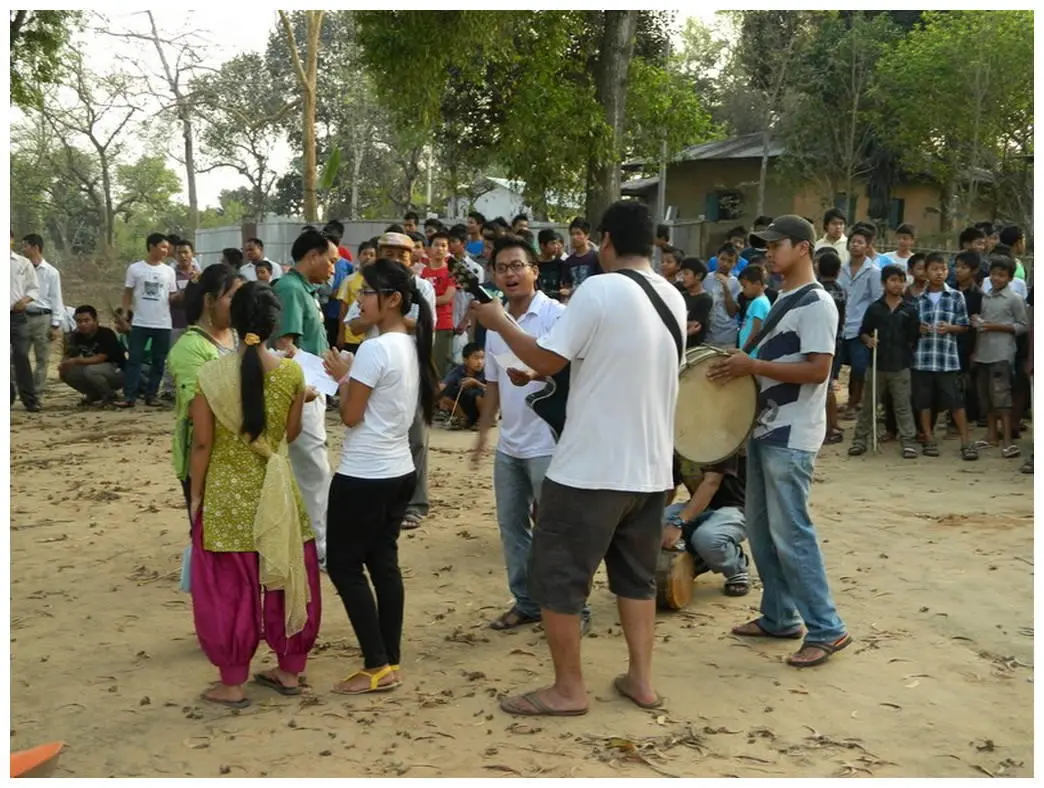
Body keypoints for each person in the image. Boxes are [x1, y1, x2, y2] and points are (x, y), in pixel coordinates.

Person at [472, 200, 686, 716]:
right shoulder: (672, 296)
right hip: (650, 469)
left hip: (590, 468)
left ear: (605, 240)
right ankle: (641, 681)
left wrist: (500, 322)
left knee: (558, 578)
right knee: (635, 579)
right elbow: (607, 364)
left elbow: (547, 357)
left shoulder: (599, 289)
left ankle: (568, 689)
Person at [708, 215, 851, 668]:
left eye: (777, 245)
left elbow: (819, 370)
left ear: (803, 248)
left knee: (791, 533)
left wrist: (752, 366)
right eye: (766, 246)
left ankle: (827, 628)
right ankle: (779, 616)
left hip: (792, 434)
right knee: (764, 532)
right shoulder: (784, 298)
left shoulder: (817, 303)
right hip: (766, 428)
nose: (768, 253)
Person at [188, 281, 321, 708]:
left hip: (227, 499)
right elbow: (291, 435)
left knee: (229, 590)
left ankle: (232, 683)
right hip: (278, 493)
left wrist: (195, 498)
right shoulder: (292, 373)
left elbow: (202, 444)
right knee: (287, 576)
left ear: (231, 319)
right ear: (273, 324)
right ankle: (289, 670)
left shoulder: (210, 376)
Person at [320, 258, 437, 695]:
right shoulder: (409, 342)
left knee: (345, 566)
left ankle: (376, 662)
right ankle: (389, 657)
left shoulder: (376, 348)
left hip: (365, 472)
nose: (359, 301)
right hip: (399, 470)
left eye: (367, 293)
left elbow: (351, 416)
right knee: (383, 563)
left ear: (392, 299)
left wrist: (343, 378)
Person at [473, 235, 576, 632]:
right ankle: (527, 602)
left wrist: (536, 372)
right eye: (502, 268)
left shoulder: (556, 316)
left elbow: (567, 368)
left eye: (517, 266)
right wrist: (484, 433)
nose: (510, 274)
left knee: (555, 532)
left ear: (535, 271)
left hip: (549, 443)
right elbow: (493, 382)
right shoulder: (493, 321)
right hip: (510, 445)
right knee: (512, 527)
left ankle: (572, 609)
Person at [345, 233, 436, 531]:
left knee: (415, 436)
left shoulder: (421, 287)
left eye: (402, 254)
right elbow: (352, 325)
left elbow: (427, 325)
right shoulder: (372, 285)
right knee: (377, 430)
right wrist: (377, 315)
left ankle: (415, 503)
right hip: (374, 370)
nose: (395, 258)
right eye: (388, 252)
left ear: (413, 257)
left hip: (409, 365)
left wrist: (387, 316)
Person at [272, 229, 338, 565]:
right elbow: (285, 345)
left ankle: (310, 539)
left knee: (310, 466)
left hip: (314, 385)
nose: (333, 268)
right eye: (330, 260)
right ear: (313, 256)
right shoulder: (290, 289)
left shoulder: (304, 290)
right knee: (313, 467)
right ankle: (320, 547)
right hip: (303, 389)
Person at [167, 264, 242, 517]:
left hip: (238, 454)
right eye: (232, 297)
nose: (240, 305)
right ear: (209, 301)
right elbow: (195, 410)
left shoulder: (239, 335)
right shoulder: (189, 348)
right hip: (207, 458)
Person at [847, 265, 920, 459]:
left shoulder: (910, 309)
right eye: (893, 280)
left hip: (901, 365)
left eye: (901, 281)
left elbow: (914, 338)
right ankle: (860, 440)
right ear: (883, 283)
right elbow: (863, 332)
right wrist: (868, 340)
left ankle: (908, 442)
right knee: (869, 405)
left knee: (902, 406)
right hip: (877, 365)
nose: (898, 284)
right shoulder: (874, 309)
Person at [912, 253, 977, 460]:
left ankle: (966, 441)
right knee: (924, 402)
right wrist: (918, 329)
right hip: (922, 358)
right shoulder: (918, 299)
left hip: (946, 359)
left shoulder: (956, 296)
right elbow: (911, 327)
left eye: (943, 269)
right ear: (926, 272)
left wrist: (950, 328)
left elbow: (964, 325)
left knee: (955, 401)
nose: (939, 273)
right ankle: (928, 438)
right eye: (934, 269)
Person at [661, 453, 749, 597]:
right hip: (699, 505)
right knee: (656, 525)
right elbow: (670, 486)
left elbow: (711, 483)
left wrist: (678, 523)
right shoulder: (678, 447)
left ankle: (736, 569)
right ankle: (698, 558)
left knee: (707, 538)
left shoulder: (721, 444)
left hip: (735, 508)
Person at [972, 256, 1028, 458]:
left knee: (1002, 396)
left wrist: (995, 326)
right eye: (994, 274)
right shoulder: (986, 297)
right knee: (986, 396)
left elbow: (1023, 326)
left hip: (1002, 353)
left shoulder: (1014, 299)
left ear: (1010, 278)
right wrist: (978, 322)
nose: (996, 278)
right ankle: (991, 434)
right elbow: (982, 324)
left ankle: (1007, 439)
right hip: (983, 352)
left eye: (1001, 275)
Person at [116, 233, 177, 409]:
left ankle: (152, 395)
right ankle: (129, 396)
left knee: (159, 361)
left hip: (163, 322)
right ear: (151, 246)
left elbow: (172, 295)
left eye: (167, 248)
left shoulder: (169, 271)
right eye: (162, 247)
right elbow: (128, 293)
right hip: (140, 322)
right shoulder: (135, 269)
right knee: (134, 359)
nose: (166, 251)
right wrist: (125, 313)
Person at [837, 225, 882, 419]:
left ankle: (854, 403)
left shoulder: (873, 271)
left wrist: (871, 328)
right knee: (836, 366)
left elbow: (877, 300)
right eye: (853, 242)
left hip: (861, 328)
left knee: (859, 368)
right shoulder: (841, 269)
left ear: (868, 246)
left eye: (860, 242)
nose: (855, 245)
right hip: (841, 326)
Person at [20, 234, 65, 398]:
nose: (23, 249)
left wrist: (55, 324)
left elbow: (56, 298)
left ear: (35, 247)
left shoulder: (51, 272)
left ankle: (35, 394)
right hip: (22, 316)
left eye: (25, 246)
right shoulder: (20, 270)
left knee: (42, 358)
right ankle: (18, 391)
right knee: (18, 356)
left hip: (43, 318)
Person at [58, 305, 126, 406]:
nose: (83, 324)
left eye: (87, 320)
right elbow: (69, 354)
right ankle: (94, 394)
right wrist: (64, 364)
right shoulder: (76, 336)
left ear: (95, 320)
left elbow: (101, 358)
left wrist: (76, 361)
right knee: (66, 372)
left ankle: (109, 396)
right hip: (94, 370)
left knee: (91, 370)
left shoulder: (106, 334)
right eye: (79, 321)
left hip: (117, 371)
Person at [162, 239, 199, 400]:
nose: (183, 256)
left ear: (192, 254)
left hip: (195, 324)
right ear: (174, 255)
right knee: (172, 356)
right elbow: (170, 298)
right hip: (175, 322)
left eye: (186, 252)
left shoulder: (200, 275)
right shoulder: (170, 274)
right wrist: (187, 290)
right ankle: (169, 389)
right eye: (179, 253)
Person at [817, 251, 846, 445]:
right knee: (830, 385)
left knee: (824, 388)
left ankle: (829, 428)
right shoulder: (841, 290)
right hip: (837, 340)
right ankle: (833, 424)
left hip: (821, 342)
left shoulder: (818, 291)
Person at [421, 230, 458, 380]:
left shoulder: (451, 272)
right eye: (436, 245)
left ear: (448, 249)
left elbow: (447, 298)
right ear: (429, 249)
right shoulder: (422, 272)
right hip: (423, 322)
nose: (440, 249)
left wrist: (425, 300)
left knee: (440, 365)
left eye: (443, 245)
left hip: (443, 323)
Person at [10, 234, 41, 412]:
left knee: (21, 356)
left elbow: (34, 288)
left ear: (11, 239)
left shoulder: (23, 263)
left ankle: (30, 399)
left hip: (17, 316)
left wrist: (25, 300)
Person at [953, 252, 985, 426]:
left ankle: (967, 419)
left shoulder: (979, 296)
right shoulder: (949, 290)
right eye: (957, 266)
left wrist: (975, 350)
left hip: (968, 344)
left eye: (963, 267)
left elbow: (979, 326)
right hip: (949, 342)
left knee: (966, 383)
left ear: (974, 271)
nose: (958, 270)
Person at [336, 240, 378, 353]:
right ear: (358, 256)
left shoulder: (378, 281)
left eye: (372, 255)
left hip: (370, 336)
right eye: (365, 254)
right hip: (351, 336)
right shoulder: (349, 280)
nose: (368, 257)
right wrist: (341, 334)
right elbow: (343, 309)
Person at [438, 342, 486, 427]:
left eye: (482, 358)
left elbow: (496, 389)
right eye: (476, 358)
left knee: (479, 394)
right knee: (446, 395)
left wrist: (476, 383)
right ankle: (463, 418)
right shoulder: (458, 371)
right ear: (465, 360)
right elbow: (443, 385)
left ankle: (484, 419)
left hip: (484, 405)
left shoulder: (487, 372)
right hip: (467, 405)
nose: (480, 362)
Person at [703, 244, 741, 347]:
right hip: (707, 336)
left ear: (735, 263)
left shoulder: (736, 283)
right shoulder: (706, 278)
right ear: (717, 258)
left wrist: (725, 286)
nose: (725, 264)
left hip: (727, 336)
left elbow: (732, 313)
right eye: (722, 259)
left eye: (730, 261)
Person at [560, 217, 602, 298]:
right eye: (572, 234)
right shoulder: (568, 262)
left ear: (587, 236)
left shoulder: (597, 258)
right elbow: (567, 285)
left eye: (578, 233)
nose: (574, 237)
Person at [679, 257, 712, 349]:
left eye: (686, 273)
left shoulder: (705, 299)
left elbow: (694, 326)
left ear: (698, 276)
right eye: (681, 273)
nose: (682, 277)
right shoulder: (681, 295)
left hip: (693, 348)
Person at [738, 264, 771, 351]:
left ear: (757, 284)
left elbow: (756, 331)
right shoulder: (759, 301)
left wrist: (744, 350)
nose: (742, 290)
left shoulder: (759, 303)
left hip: (751, 353)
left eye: (744, 286)